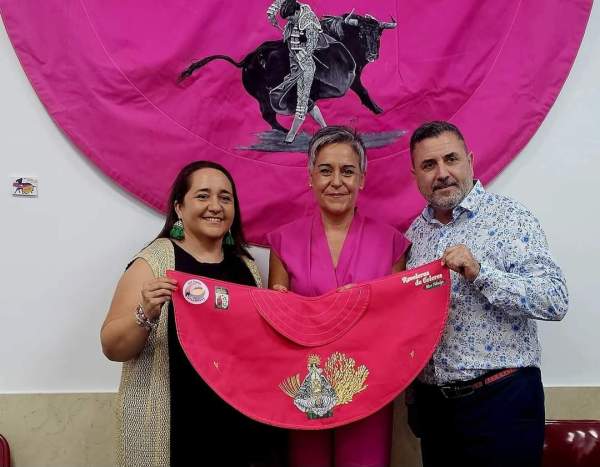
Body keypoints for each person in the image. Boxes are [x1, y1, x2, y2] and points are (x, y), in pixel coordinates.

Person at [101, 161, 287, 467]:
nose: (215, 206)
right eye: (203, 196)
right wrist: (146, 313)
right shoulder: (155, 262)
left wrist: (280, 314)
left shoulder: (246, 267)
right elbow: (112, 347)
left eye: (225, 198)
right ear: (179, 207)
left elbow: (256, 349)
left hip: (242, 431)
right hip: (178, 429)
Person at [405, 121, 569, 467]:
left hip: (502, 402)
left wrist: (481, 273)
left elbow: (555, 299)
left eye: (451, 159)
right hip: (435, 411)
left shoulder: (510, 219)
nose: (442, 173)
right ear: (415, 175)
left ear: (470, 161)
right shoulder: (413, 236)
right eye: (429, 165)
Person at [268, 125, 410, 466]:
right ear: (310, 178)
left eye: (347, 171)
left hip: (368, 383)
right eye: (325, 170)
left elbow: (398, 321)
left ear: (362, 179)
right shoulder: (283, 241)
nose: (336, 181)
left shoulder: (392, 243)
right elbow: (277, 318)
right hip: (306, 386)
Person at [267, 0, 327, 142]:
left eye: (291, 18)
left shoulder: (309, 21)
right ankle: (325, 128)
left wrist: (298, 57)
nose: (290, 21)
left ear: (297, 12)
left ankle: (291, 135)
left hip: (304, 67)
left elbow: (311, 46)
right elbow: (281, 2)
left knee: (301, 104)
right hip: (294, 67)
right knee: (306, 102)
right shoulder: (294, 8)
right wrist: (271, 14)